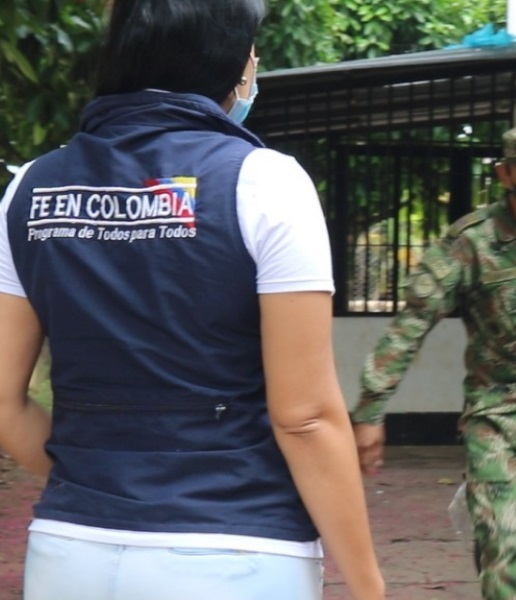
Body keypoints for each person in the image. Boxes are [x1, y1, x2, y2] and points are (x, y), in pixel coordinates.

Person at [0, 1, 384, 599]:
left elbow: (3, 401)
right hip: (235, 552)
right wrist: (368, 586)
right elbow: (305, 417)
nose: (255, 63)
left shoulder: (30, 188)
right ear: (225, 58)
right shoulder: (266, 182)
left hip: (71, 552)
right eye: (252, 48)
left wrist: (103, 482)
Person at [351, 123, 516, 600]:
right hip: (498, 421)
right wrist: (370, 409)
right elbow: (412, 323)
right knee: (505, 554)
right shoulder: (471, 242)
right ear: (505, 175)